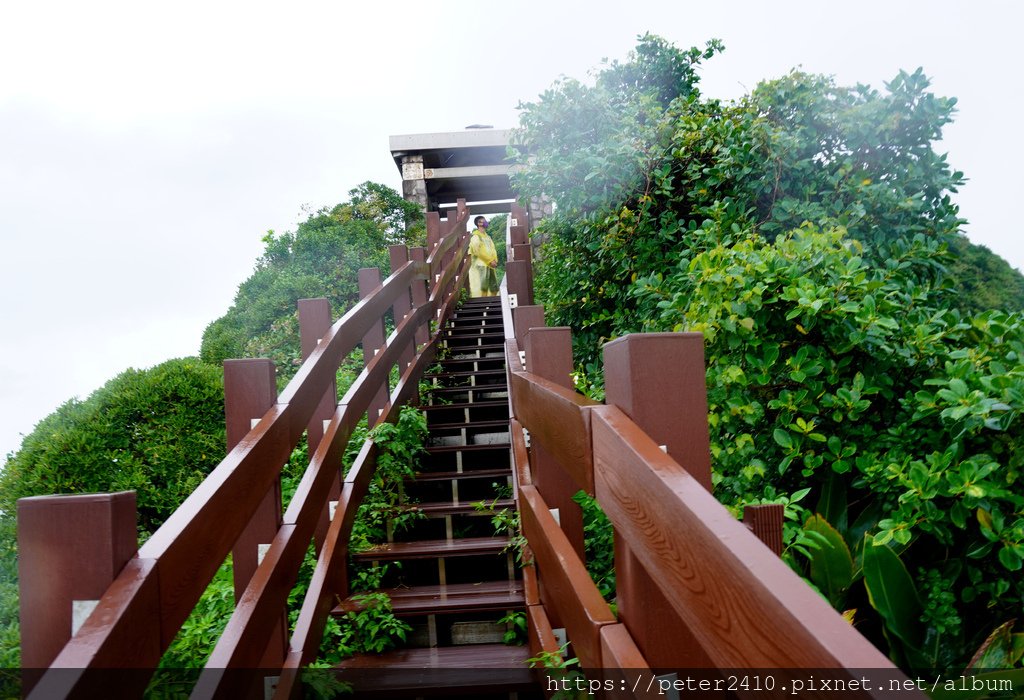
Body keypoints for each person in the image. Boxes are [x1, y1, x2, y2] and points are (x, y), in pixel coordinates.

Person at [468, 215, 499, 297]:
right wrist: (490, 260)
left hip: (490, 264)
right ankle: (482, 302)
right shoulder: (475, 236)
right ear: (479, 223)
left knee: (494, 286)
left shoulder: (488, 237)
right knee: (483, 286)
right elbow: (478, 251)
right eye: (483, 220)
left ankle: (492, 304)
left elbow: (493, 249)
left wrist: (495, 260)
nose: (486, 222)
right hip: (481, 265)